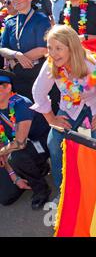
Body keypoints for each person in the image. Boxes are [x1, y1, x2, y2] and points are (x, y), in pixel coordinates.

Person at [31, 25, 96, 191]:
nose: (53, 53)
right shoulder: (51, 64)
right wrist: (52, 119)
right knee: (54, 142)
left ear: (71, 48)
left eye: (58, 48)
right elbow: (38, 92)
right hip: (70, 106)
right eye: (50, 47)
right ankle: (63, 189)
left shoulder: (91, 64)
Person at [0, 70, 51, 210]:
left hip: (41, 143)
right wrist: (13, 176)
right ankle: (37, 168)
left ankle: (41, 190)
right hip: (16, 148)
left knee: (17, 157)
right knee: (5, 197)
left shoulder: (21, 104)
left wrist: (2, 152)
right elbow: (2, 141)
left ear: (8, 87)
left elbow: (20, 143)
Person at [0, 0, 51, 101]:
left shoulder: (41, 19)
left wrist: (17, 60)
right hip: (17, 77)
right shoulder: (10, 21)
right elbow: (2, 48)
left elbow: (43, 49)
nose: (14, 0)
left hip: (37, 75)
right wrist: (16, 54)